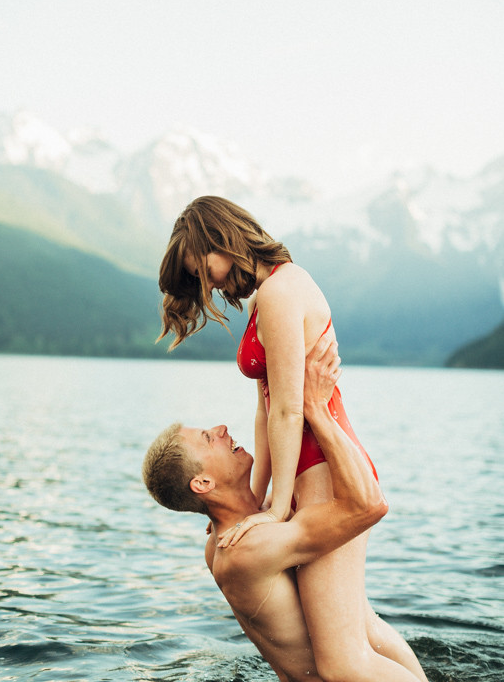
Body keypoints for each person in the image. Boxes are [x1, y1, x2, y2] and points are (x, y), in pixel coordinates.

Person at [158, 195, 428, 682]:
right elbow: (266, 410)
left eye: (208, 269)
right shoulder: (267, 295)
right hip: (306, 464)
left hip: (322, 465)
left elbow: (288, 408)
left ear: (223, 239)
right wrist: (260, 497)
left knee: (343, 660)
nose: (212, 283)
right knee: (358, 627)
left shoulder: (282, 292)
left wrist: (278, 508)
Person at [143, 337, 427, 682]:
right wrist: (316, 408)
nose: (220, 430)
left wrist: (272, 373)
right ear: (203, 484)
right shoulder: (250, 546)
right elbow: (369, 507)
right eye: (207, 438)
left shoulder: (223, 540)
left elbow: (269, 429)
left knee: (358, 612)